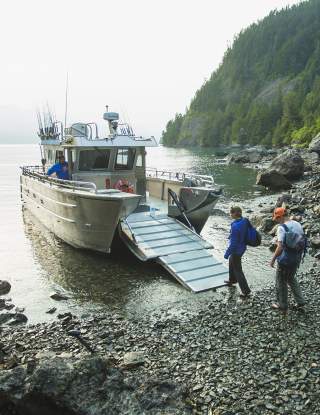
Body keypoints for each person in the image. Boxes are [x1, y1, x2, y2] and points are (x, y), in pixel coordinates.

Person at [269, 207, 306, 312]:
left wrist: (272, 260)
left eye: (277, 218)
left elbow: (280, 247)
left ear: (280, 217)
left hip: (285, 260)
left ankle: (282, 305)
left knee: (281, 281)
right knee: (290, 278)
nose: (276, 220)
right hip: (297, 258)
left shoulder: (281, 228)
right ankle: (300, 301)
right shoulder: (297, 224)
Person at [224, 206, 251, 298]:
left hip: (237, 250)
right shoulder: (244, 220)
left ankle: (245, 291)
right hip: (243, 246)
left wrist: (226, 254)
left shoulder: (235, 226)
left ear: (234, 214)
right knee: (232, 261)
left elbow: (233, 244)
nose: (230, 215)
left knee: (238, 270)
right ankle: (232, 280)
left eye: (230, 213)